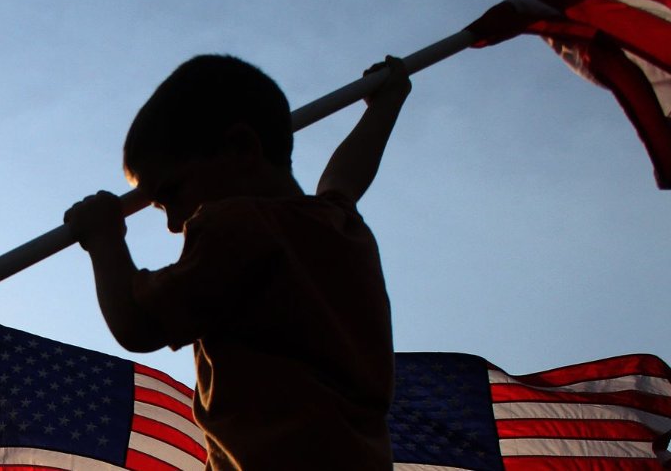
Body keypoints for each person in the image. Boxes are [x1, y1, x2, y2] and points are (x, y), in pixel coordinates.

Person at [63, 54, 411, 470]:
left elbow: (137, 324)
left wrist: (104, 239)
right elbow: (345, 177)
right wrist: (387, 105)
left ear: (242, 148)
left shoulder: (237, 226)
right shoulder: (337, 223)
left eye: (172, 193)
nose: (175, 223)